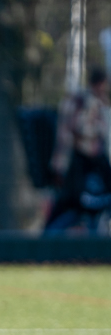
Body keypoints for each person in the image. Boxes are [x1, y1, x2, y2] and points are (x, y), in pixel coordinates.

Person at [44, 67, 111, 234]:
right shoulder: (84, 102)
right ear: (100, 84)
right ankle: (47, 239)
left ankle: (47, 237)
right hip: (73, 170)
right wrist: (98, 128)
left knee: (69, 206)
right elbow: (80, 128)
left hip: (74, 170)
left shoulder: (87, 101)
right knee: (68, 206)